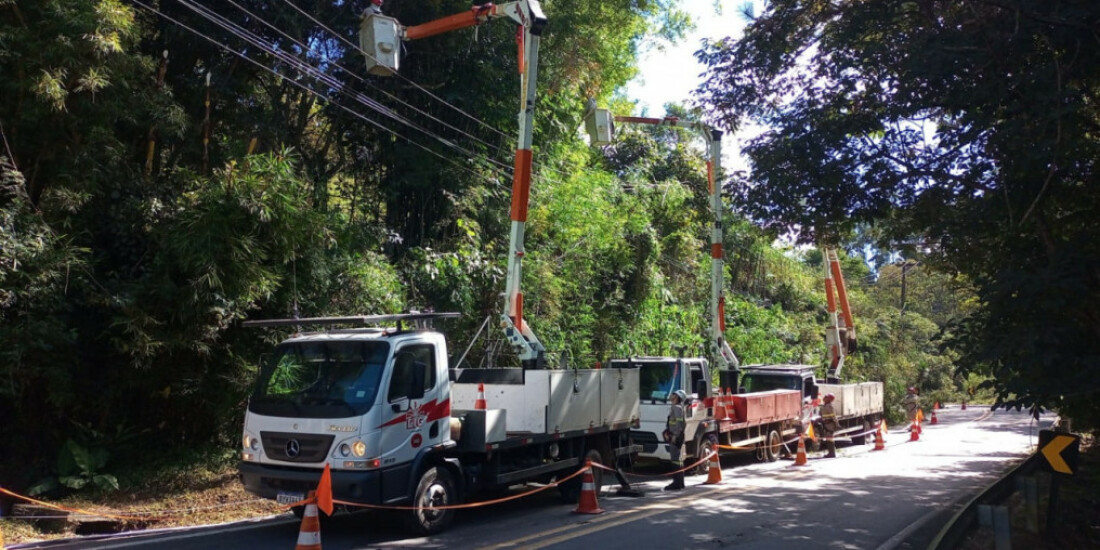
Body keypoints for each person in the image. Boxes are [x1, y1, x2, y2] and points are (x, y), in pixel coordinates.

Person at [663, 389, 688, 490]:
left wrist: (675, 436)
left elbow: (680, 423)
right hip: (674, 435)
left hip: (675, 436)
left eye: (673, 394)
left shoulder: (677, 408)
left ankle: (676, 483)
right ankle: (680, 483)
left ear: (677, 397)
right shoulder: (676, 407)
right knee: (678, 460)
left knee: (675, 460)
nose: (671, 395)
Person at [820, 393, 839, 458]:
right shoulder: (824, 406)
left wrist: (836, 425)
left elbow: (833, 416)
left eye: (826, 397)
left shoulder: (829, 406)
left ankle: (832, 454)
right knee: (828, 438)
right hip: (826, 424)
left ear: (829, 399)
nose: (824, 397)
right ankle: (831, 453)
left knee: (829, 438)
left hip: (830, 424)